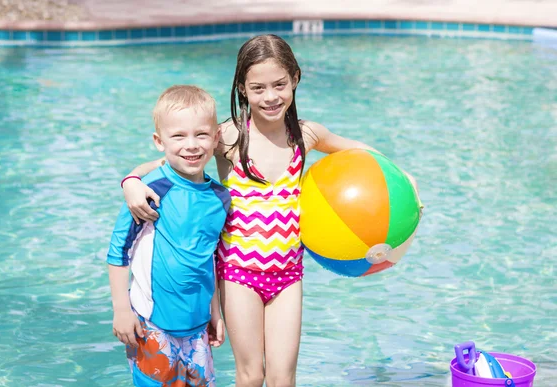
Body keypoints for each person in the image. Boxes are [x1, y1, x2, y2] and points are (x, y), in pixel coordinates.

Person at [121, 35, 420, 387]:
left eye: (279, 84)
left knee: (283, 378)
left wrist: (405, 181)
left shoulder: (306, 135)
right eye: (258, 87)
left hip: (288, 275)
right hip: (238, 273)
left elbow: (362, 154)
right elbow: (168, 162)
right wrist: (130, 181)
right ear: (243, 89)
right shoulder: (229, 137)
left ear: (295, 77)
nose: (271, 96)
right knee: (251, 376)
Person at [107, 85, 230, 386]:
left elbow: (209, 258)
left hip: (198, 325)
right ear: (159, 142)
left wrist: (216, 312)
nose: (191, 145)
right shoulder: (149, 190)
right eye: (179, 136)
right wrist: (121, 310)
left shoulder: (220, 198)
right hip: (151, 324)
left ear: (215, 138)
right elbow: (118, 252)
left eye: (201, 135)